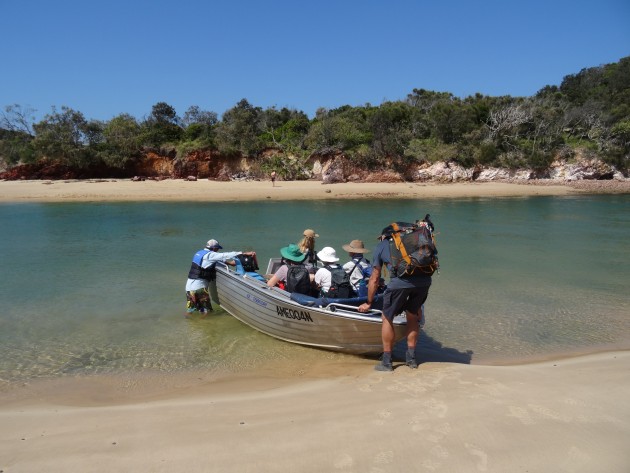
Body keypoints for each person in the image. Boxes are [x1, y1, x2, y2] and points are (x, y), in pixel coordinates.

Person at [358, 225, 432, 371]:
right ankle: (411, 360)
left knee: (387, 317)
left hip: (399, 283)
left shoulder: (382, 245)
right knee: (412, 316)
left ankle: (386, 362)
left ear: (384, 236)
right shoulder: (414, 242)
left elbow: (374, 277)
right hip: (424, 282)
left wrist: (369, 302)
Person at [185, 239, 256, 316]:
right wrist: (244, 254)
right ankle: (203, 327)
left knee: (190, 310)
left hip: (189, 288)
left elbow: (225, 261)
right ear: (214, 248)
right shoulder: (211, 255)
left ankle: (188, 324)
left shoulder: (199, 253)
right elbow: (224, 255)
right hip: (199, 288)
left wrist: (235, 262)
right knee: (206, 312)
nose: (218, 250)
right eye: (217, 248)